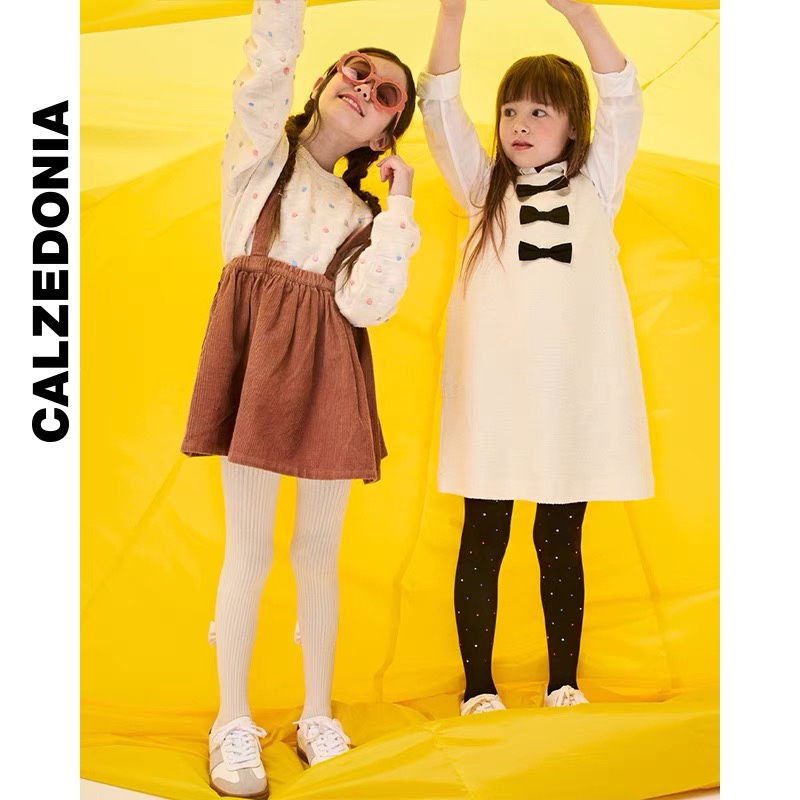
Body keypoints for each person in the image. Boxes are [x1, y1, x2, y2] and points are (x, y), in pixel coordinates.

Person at [180, 1, 420, 795]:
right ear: (320, 79)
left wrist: (400, 210)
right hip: (256, 365)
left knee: (318, 552)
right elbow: (266, 66)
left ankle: (317, 713)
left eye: (386, 95)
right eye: (358, 71)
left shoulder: (364, 214)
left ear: (385, 137)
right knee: (248, 550)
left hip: (330, 374)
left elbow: (367, 306)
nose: (366, 89)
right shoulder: (258, 157)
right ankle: (231, 719)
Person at [418, 0, 653, 717]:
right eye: (510, 111)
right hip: (493, 396)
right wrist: (451, 11)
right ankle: (478, 687)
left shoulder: (597, 186)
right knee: (483, 536)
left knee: (560, 538)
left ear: (574, 126)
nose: (519, 125)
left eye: (540, 113)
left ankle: (563, 682)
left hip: (570, 398)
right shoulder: (478, 189)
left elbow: (622, 95)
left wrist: (578, 12)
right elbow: (440, 107)